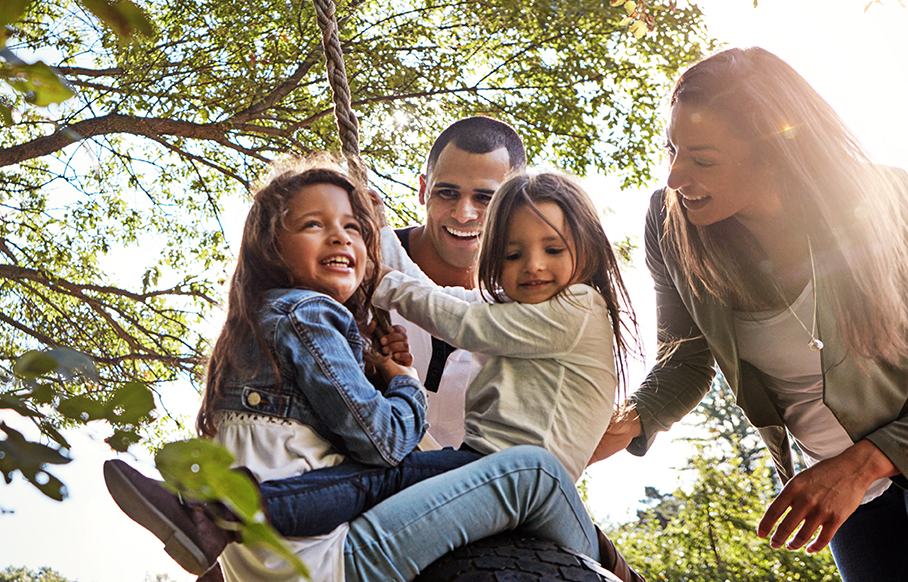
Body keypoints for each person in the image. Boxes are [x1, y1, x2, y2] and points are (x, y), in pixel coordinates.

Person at [104, 159, 607, 582]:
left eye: (553, 249)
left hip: (524, 495)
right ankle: (217, 510)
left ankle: (219, 509)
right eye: (514, 254)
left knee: (493, 469)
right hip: (347, 545)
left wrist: (384, 286)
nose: (533, 266)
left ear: (586, 247)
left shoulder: (579, 306)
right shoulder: (305, 316)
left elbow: (466, 320)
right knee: (381, 477)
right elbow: (454, 314)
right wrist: (398, 369)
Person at [591, 47, 908, 581]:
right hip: (845, 501)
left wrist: (865, 462)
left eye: (702, 159)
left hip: (860, 472)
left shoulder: (889, 203)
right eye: (672, 149)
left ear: (777, 152)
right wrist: (610, 431)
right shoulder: (671, 230)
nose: (674, 177)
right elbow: (683, 362)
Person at [392, 115, 527, 448]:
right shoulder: (363, 264)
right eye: (447, 193)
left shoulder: (532, 296)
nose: (463, 214)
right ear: (423, 190)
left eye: (484, 198)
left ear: (515, 204)